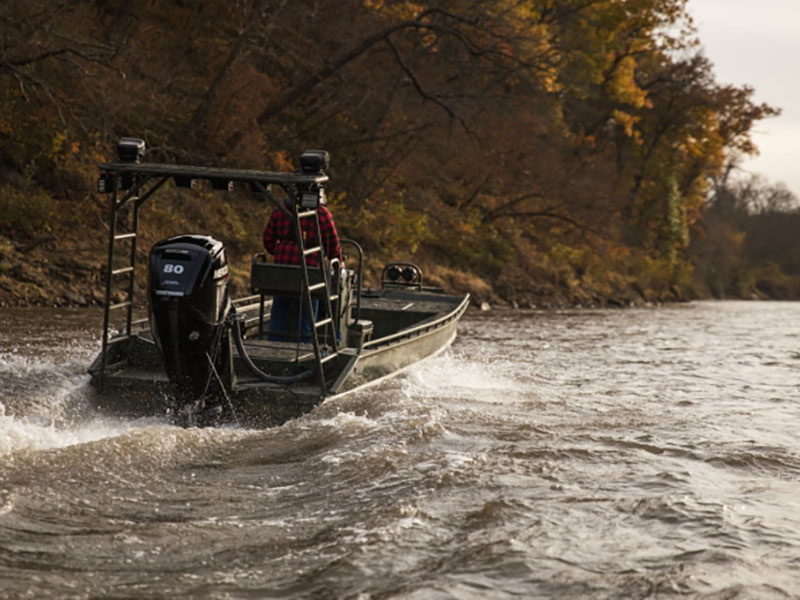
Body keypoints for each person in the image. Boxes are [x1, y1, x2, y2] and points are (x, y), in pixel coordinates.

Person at [262, 193, 342, 342]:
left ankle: (273, 346)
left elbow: (268, 239)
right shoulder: (321, 213)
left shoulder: (280, 210)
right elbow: (332, 242)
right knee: (307, 318)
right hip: (310, 272)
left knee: (279, 315)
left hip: (282, 272)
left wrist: (281, 251)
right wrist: (337, 260)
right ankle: (306, 347)